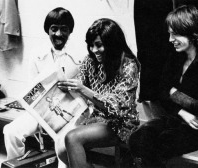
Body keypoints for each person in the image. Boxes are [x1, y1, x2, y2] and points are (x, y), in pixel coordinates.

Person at [128, 5, 198, 168]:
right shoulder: (174, 58)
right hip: (175, 118)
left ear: (194, 34)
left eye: (175, 34)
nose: (170, 39)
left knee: (159, 144)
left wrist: (173, 92)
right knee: (137, 138)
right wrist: (182, 112)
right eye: (169, 33)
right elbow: (161, 93)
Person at [55, 18, 140, 168]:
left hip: (121, 123)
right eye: (91, 45)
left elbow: (117, 109)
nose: (94, 50)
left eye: (99, 45)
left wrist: (82, 89)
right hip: (96, 117)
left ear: (111, 43)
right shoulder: (90, 60)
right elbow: (81, 87)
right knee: (61, 148)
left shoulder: (129, 65)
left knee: (72, 138)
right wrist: (68, 87)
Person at [3, 7, 76, 163]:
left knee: (63, 142)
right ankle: (18, 165)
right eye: (54, 29)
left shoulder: (79, 58)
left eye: (64, 29)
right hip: (40, 112)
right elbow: (32, 92)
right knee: (10, 131)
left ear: (70, 31)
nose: (58, 34)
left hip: (69, 115)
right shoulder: (36, 55)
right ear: (47, 30)